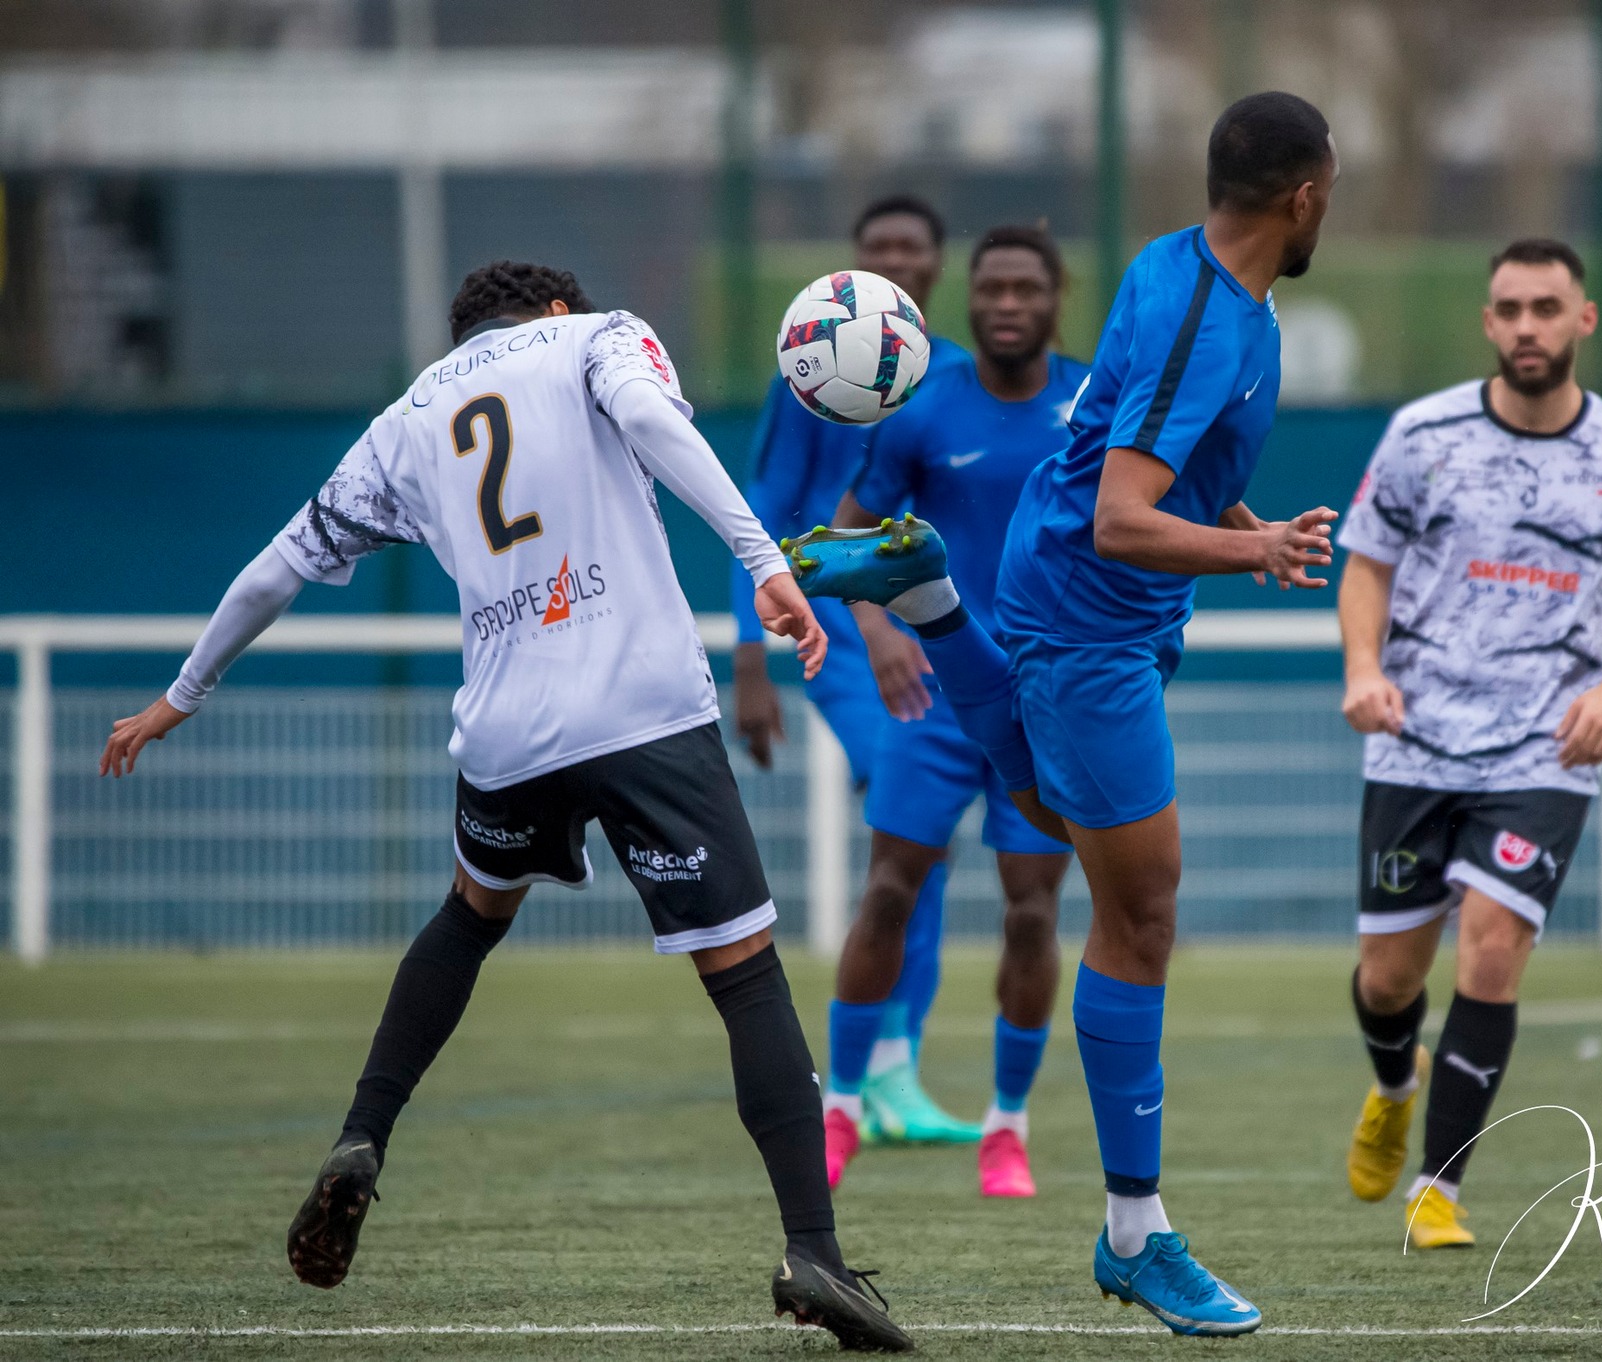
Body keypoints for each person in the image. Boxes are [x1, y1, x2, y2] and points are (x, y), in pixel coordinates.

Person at [96, 261, 911, 1351]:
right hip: (642, 711)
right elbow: (649, 421)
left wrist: (180, 696)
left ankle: (362, 1136)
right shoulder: (601, 337)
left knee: (471, 915)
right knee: (745, 975)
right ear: (558, 307)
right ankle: (812, 1250)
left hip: (506, 733)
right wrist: (763, 561)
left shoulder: (406, 419)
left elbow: (276, 568)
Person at [781, 92, 1341, 1337]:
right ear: (1304, 197)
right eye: (1330, 193)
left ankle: (932, 601)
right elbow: (1123, 518)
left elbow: (1137, 452)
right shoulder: (1212, 320)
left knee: (1048, 814)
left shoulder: (1175, 264)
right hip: (1093, 619)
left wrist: (1236, 518)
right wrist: (1250, 555)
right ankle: (1134, 1232)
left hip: (1068, 592)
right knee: (1139, 914)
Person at [1334, 237, 1602, 1250]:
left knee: (1492, 951)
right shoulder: (1422, 434)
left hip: (1545, 747)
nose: (1528, 326)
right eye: (1510, 309)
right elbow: (1365, 566)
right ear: (1487, 322)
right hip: (1412, 739)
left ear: (1583, 318)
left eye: (1546, 307)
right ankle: (1393, 1087)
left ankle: (1438, 1189)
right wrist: (1362, 669)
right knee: (1387, 979)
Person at [820, 226, 1085, 1198]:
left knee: (1031, 914)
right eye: (992, 289)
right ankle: (840, 1110)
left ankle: (1006, 1129)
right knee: (888, 892)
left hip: (1041, 701)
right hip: (932, 696)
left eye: (1026, 288)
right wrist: (878, 627)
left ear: (1055, 299)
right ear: (969, 300)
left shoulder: (1092, 405)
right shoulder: (922, 406)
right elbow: (845, 538)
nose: (1007, 304)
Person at [731, 194, 981, 1147]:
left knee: (923, 840)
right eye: (878, 247)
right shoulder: (807, 371)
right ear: (855, 265)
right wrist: (749, 656)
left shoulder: (957, 377)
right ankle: (881, 1075)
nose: (896, 259)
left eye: (912, 246)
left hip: (930, 631)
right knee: (911, 821)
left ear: (936, 264)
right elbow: (764, 504)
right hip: (835, 629)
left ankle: (889, 1070)